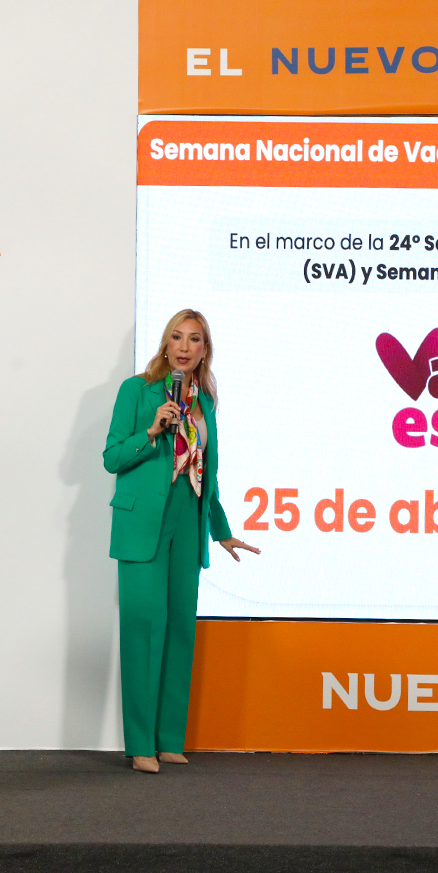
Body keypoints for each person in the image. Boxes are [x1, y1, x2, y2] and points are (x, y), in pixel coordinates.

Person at [103, 309, 259, 773]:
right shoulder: (137, 390)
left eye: (194, 339)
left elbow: (208, 473)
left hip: (188, 521)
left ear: (204, 350)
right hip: (142, 523)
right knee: (142, 629)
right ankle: (140, 745)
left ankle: (169, 738)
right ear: (165, 345)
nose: (185, 347)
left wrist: (221, 529)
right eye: (177, 337)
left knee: (178, 631)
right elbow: (111, 457)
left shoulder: (203, 402)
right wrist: (151, 432)